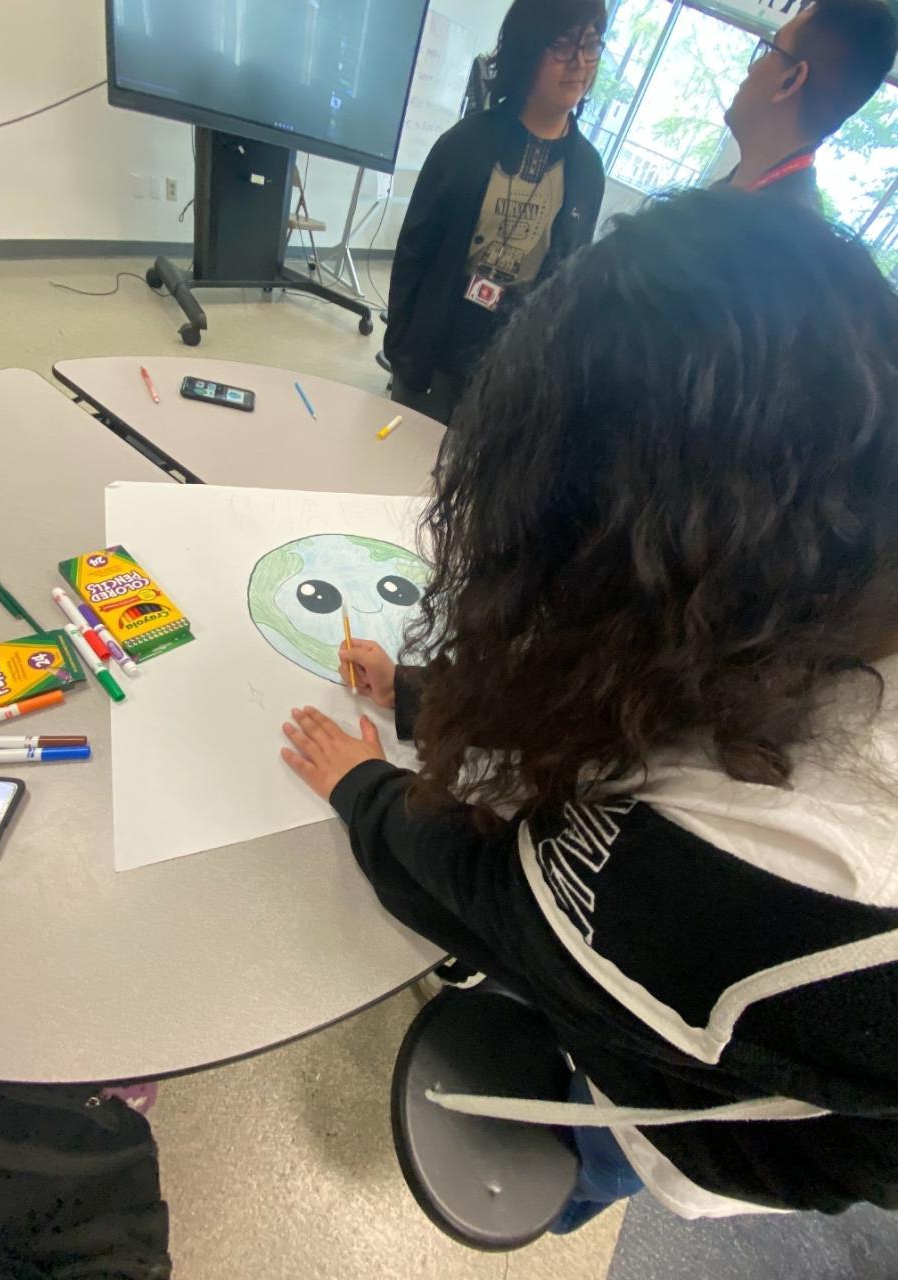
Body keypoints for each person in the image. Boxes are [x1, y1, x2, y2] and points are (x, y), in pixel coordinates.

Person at [281, 188, 898, 1223]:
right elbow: (657, 697)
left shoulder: (717, 874)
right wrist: (430, 696)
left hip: (714, 1113)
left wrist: (361, 787)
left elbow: (487, 895)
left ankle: (572, 1191)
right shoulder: (813, 587)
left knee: (597, 1139)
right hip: (741, 1016)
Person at [384, 0, 607, 426]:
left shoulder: (587, 171)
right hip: (435, 352)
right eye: (564, 45)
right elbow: (414, 251)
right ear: (528, 47)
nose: (580, 63)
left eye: (592, 45)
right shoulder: (464, 144)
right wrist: (402, 349)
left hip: (510, 375)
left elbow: (566, 284)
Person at [722, 0, 898, 205]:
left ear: (790, 81)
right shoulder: (752, 198)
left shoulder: (737, 218)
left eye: (772, 49)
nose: (752, 67)